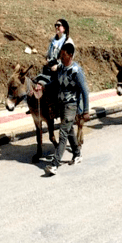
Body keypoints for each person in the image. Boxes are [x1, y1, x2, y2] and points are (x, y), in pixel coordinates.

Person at [45, 43, 90, 175]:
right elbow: (56, 82)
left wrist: (86, 111)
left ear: (70, 55)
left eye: (63, 55)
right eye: (61, 55)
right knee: (69, 130)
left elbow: (84, 92)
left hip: (71, 106)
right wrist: (44, 86)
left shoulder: (76, 71)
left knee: (63, 133)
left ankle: (54, 164)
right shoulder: (61, 68)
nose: (61, 57)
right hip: (61, 104)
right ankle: (77, 154)